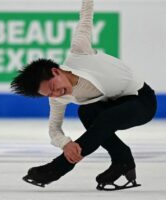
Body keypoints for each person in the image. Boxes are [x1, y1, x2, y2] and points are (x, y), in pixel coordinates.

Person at [10, 0, 157, 191]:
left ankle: (58, 168)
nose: (56, 94)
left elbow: (86, 16)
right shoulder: (57, 98)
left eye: (53, 87)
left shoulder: (79, 52)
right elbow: (54, 129)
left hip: (142, 101)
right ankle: (122, 160)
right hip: (113, 107)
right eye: (49, 94)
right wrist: (66, 144)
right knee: (86, 112)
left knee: (105, 117)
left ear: (56, 71)